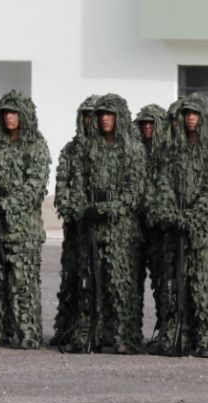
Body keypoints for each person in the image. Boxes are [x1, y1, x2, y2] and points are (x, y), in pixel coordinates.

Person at [146, 93, 208, 357]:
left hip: (205, 234)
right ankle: (175, 336)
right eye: (187, 114)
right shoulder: (172, 151)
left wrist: (191, 218)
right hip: (175, 231)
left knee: (204, 287)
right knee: (174, 286)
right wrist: (172, 216)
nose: (190, 119)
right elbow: (162, 185)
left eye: (195, 114)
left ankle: (207, 339)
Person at [0, 90, 51, 349]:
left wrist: (6, 205)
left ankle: (29, 334)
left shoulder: (36, 145)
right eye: (5, 113)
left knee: (23, 282)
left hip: (22, 226)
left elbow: (34, 187)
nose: (9, 118)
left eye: (13, 113)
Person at [69, 93, 146, 354]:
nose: (104, 119)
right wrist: (84, 209)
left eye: (109, 114)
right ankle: (90, 333)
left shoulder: (133, 149)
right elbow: (77, 183)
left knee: (120, 284)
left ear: (120, 117)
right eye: (101, 114)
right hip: (91, 225)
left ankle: (125, 337)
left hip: (119, 228)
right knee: (89, 282)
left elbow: (134, 191)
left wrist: (107, 210)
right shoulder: (90, 148)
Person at [49, 95, 99, 348]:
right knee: (70, 277)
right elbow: (62, 184)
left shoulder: (104, 150)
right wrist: (73, 210)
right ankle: (66, 328)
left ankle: (92, 331)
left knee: (92, 279)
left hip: (96, 226)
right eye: (86, 115)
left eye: (94, 115)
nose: (90, 120)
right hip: (74, 224)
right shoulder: (71, 150)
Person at [134, 103, 168, 345]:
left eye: (151, 123)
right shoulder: (134, 152)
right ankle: (130, 331)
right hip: (135, 225)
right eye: (143, 123)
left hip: (157, 228)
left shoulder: (166, 155)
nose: (147, 127)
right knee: (130, 281)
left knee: (161, 282)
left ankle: (164, 331)